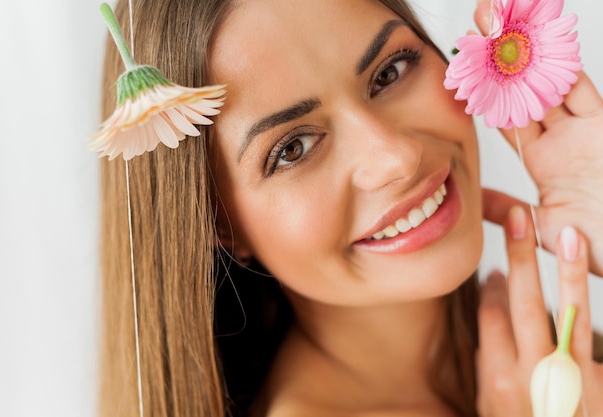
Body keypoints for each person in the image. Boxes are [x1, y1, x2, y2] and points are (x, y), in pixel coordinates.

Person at [96, 1, 603, 416]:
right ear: (215, 222)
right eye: (292, 148)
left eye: (390, 72)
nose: (396, 159)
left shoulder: (537, 358)